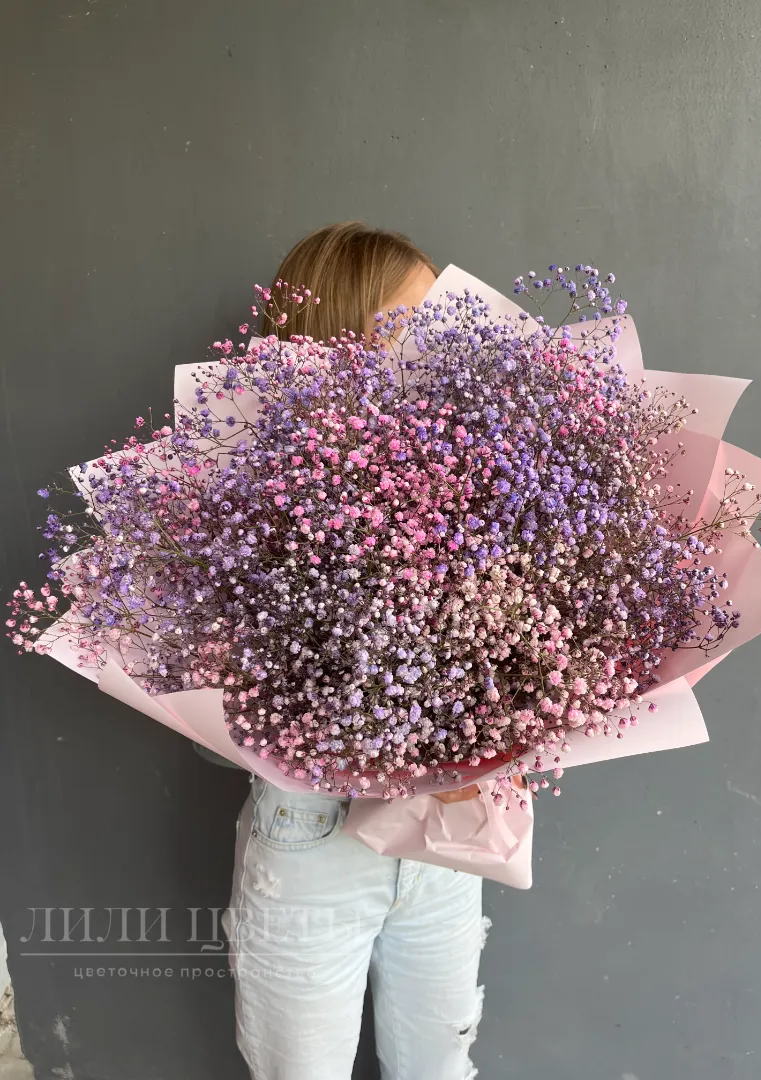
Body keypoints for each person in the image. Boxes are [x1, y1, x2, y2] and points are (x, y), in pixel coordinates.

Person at [223, 222, 489, 1080]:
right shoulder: (247, 498)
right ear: (333, 338)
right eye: (407, 327)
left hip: (444, 847)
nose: (433, 348)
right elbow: (218, 710)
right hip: (312, 839)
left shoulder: (483, 469)